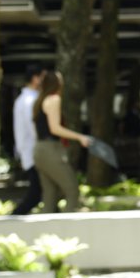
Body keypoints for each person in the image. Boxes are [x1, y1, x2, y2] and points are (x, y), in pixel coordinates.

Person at [32, 70, 91, 212]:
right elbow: (55, 128)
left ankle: (46, 231)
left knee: (50, 194)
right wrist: (80, 137)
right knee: (72, 189)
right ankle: (68, 226)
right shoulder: (53, 100)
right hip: (49, 150)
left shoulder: (39, 101)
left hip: (39, 149)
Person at [11, 64, 45, 215]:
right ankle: (12, 219)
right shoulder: (29, 100)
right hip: (33, 151)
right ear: (35, 79)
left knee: (42, 190)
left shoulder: (25, 99)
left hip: (31, 151)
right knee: (37, 192)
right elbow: (33, 127)